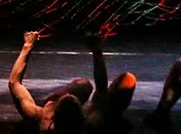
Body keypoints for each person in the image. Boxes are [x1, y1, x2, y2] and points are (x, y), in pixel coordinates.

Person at [9, 31, 137, 134]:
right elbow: (101, 89)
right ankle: (115, 116)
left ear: (54, 117)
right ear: (82, 113)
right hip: (101, 118)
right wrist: (97, 50)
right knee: (127, 80)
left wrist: (27, 46)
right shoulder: (92, 122)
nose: (68, 96)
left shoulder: (41, 118)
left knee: (84, 85)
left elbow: (14, 83)